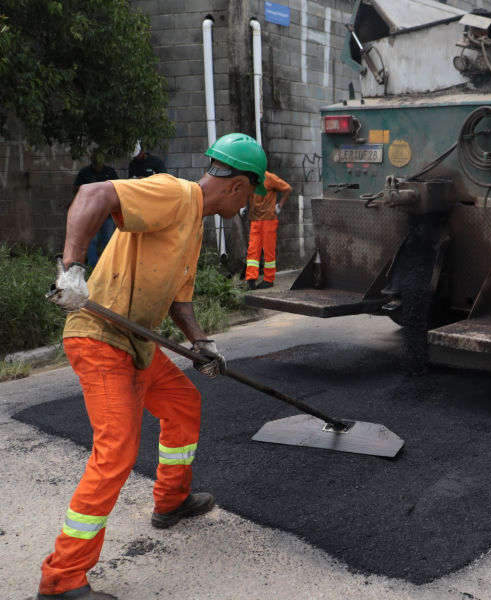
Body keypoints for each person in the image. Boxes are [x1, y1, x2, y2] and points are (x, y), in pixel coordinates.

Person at [38, 133, 268, 600]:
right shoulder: (175, 193)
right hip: (101, 339)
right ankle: (62, 580)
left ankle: (171, 501)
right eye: (249, 198)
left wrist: (202, 343)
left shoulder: (193, 225)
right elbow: (94, 194)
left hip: (137, 344)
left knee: (183, 403)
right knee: (116, 452)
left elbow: (178, 301)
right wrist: (73, 270)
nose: (246, 207)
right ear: (239, 187)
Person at [241, 170, 292, 290]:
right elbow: (247, 194)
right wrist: (243, 207)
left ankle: (269, 279)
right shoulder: (251, 178)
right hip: (255, 220)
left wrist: (279, 205)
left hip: (268, 220)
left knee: (268, 250)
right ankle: (250, 280)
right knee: (252, 251)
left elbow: (288, 188)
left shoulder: (270, 178)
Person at [72, 157, 119, 266]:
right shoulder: (85, 172)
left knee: (108, 239)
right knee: (92, 240)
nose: (100, 165)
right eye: (97, 163)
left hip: (108, 211)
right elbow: (74, 189)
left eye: (101, 163)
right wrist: (89, 186)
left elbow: (118, 186)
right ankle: (94, 264)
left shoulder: (110, 171)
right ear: (92, 162)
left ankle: (106, 264)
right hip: (91, 212)